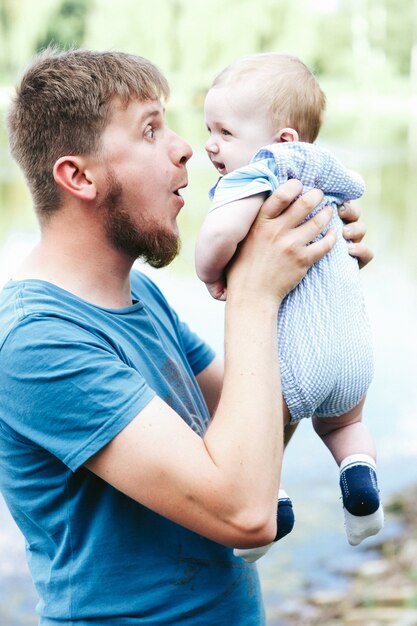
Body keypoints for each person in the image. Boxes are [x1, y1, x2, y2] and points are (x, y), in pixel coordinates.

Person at [0, 48, 372, 626]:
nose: (184, 147)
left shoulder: (138, 296)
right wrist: (253, 292)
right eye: (151, 130)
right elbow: (246, 513)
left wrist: (318, 294)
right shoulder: (36, 344)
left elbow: (258, 427)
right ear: (78, 176)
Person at [195, 52, 383, 562]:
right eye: (209, 129)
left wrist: (210, 270)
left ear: (281, 141)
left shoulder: (261, 173)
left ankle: (267, 506)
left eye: (225, 133)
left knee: (262, 426)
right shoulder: (329, 173)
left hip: (295, 362)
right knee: (344, 426)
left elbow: (219, 232)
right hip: (353, 352)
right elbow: (348, 220)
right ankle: (360, 480)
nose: (210, 145)